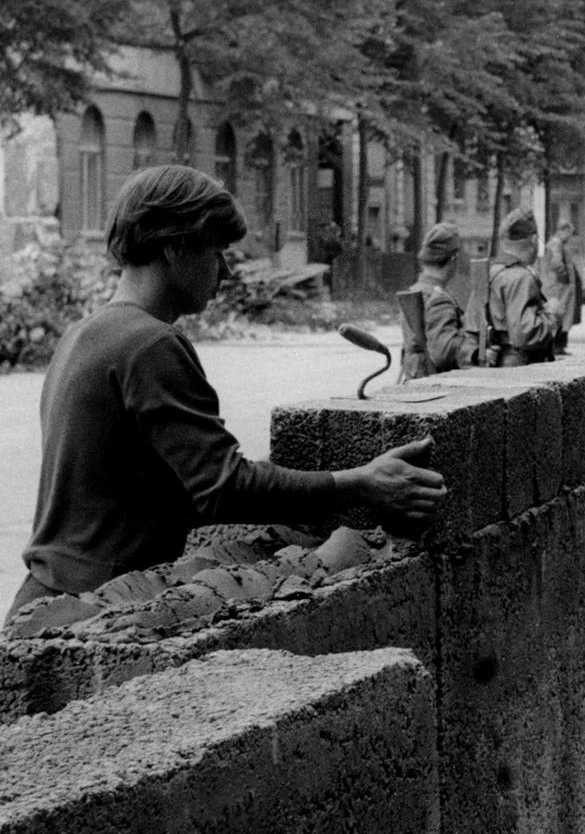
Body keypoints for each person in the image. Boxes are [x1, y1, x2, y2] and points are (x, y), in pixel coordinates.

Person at [6, 165, 446, 623]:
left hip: (43, 601)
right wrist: (362, 483)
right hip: (93, 613)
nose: (226, 271)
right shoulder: (151, 344)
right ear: (175, 247)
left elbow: (161, 488)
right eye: (217, 253)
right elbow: (224, 488)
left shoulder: (84, 334)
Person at [399, 222, 477, 380]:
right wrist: (471, 340)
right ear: (453, 258)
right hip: (437, 385)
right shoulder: (439, 299)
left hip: (417, 380)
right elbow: (444, 352)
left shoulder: (416, 290)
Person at [487, 206, 560, 366]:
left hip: (496, 364)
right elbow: (525, 334)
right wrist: (552, 314)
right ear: (534, 240)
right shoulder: (522, 277)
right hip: (521, 366)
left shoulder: (491, 271)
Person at [540, 220, 579, 356]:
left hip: (557, 286)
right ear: (564, 231)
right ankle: (558, 346)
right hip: (558, 287)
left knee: (561, 315)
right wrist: (565, 276)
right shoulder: (556, 244)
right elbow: (557, 263)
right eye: (569, 233)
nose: (570, 237)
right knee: (560, 315)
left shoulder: (556, 244)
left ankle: (558, 346)